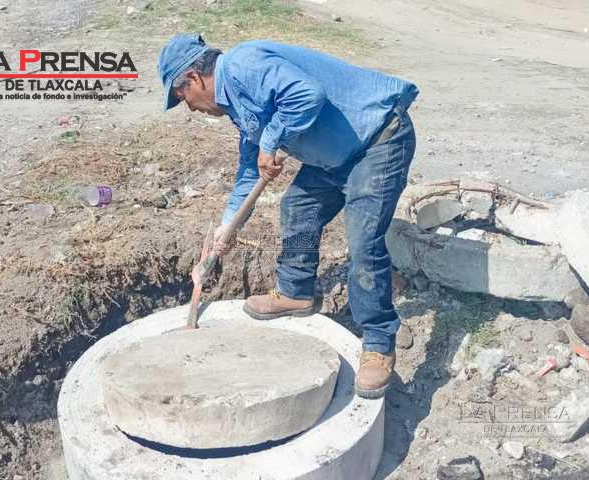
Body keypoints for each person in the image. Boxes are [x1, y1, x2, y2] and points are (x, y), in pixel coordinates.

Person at [158, 33, 418, 399]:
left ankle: (378, 342)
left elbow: (307, 95)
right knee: (298, 207)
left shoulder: (244, 65)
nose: (190, 109)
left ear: (194, 78)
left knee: (363, 240)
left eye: (182, 97)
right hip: (334, 157)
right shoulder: (236, 106)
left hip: (377, 141)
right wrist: (227, 226)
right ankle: (295, 292)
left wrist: (270, 142)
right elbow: (250, 170)